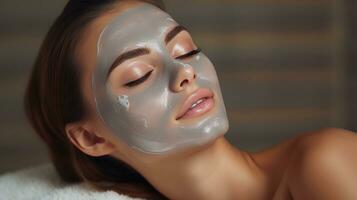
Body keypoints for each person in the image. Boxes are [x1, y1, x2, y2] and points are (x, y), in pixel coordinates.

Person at [24, 0, 357, 199]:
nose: (184, 71)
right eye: (139, 74)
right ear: (92, 137)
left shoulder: (323, 162)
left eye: (186, 50)